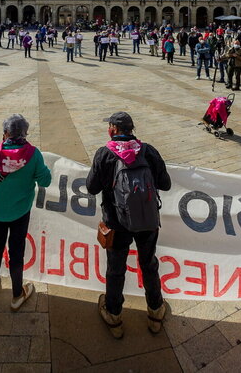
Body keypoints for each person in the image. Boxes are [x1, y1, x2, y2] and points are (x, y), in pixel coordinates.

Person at [86, 112, 171, 338]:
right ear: (132, 129)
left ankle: (114, 315)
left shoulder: (105, 154)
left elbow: (91, 187)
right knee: (148, 264)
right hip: (148, 221)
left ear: (113, 129)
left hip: (116, 222)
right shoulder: (148, 151)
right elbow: (166, 183)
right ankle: (155, 311)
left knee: (116, 269)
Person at [0, 114, 51, 310]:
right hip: (20, 211)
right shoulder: (33, 154)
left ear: (5, 133)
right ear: (25, 133)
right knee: (16, 251)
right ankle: (17, 293)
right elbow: (46, 181)